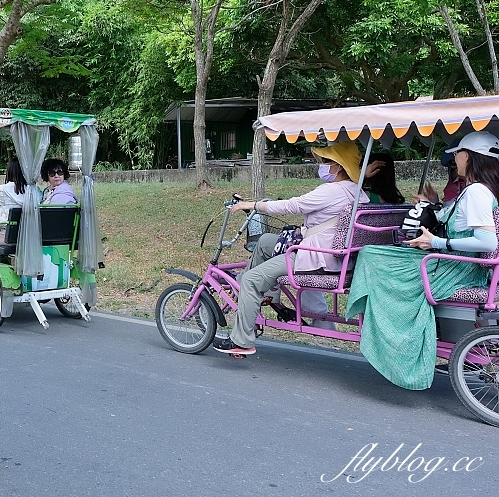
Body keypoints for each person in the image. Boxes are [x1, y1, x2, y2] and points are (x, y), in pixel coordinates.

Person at [346, 131, 499, 390]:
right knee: (374, 253)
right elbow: (455, 221)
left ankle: (387, 334)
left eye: (458, 154)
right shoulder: (476, 190)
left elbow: (488, 242)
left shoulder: (476, 192)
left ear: (471, 158)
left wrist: (436, 243)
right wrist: (434, 206)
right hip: (455, 262)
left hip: (452, 266)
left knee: (371, 255)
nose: (455, 160)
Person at [212, 141, 369, 356]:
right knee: (266, 241)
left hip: (316, 258)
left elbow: (292, 206)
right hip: (337, 257)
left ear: (339, 166)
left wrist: (253, 205)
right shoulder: (358, 192)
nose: (322, 165)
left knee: (249, 280)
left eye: (326, 161)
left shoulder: (332, 191)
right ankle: (265, 297)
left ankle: (242, 340)